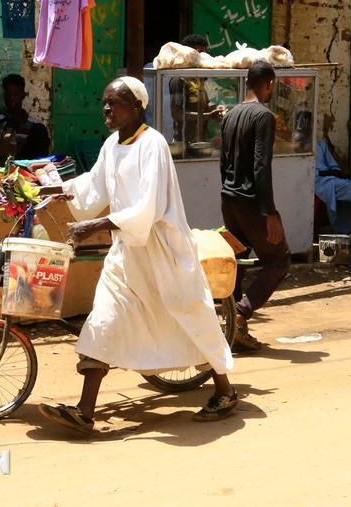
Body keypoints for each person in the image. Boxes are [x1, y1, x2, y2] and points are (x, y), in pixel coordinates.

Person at [37, 76, 237, 433]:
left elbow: (149, 208)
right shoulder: (112, 145)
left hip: (162, 251)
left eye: (114, 102)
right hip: (127, 252)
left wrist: (96, 225)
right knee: (103, 319)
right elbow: (92, 186)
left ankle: (225, 390)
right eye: (104, 101)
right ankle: (84, 410)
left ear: (136, 106)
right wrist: (51, 190)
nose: (106, 108)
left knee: (189, 318)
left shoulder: (152, 144)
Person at [220, 60, 290, 351]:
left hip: (229, 198)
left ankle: (233, 329)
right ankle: (240, 314)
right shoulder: (263, 116)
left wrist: (228, 193)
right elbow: (261, 166)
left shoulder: (230, 115)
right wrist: (269, 213)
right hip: (251, 202)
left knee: (238, 260)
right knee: (279, 259)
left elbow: (223, 162)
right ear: (270, 84)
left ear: (247, 82)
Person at [169, 34, 226, 144]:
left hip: (201, 139)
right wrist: (207, 116)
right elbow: (177, 114)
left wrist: (215, 107)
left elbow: (204, 103)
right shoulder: (179, 80)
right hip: (184, 142)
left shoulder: (198, 79)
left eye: (205, 52)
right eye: (200, 52)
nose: (203, 56)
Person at [0, 73, 51, 160]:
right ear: (5, 96)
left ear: (23, 95)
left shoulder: (32, 123)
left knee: (40, 129)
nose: (12, 98)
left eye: (16, 94)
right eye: (9, 94)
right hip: (7, 161)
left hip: (28, 161)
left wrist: (24, 143)